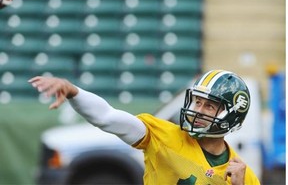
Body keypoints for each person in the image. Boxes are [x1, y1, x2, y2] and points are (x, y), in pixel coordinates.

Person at [29, 69, 260, 185]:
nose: (198, 110)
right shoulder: (165, 137)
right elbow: (108, 117)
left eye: (209, 106)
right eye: (198, 101)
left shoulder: (244, 176)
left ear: (232, 114)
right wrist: (73, 91)